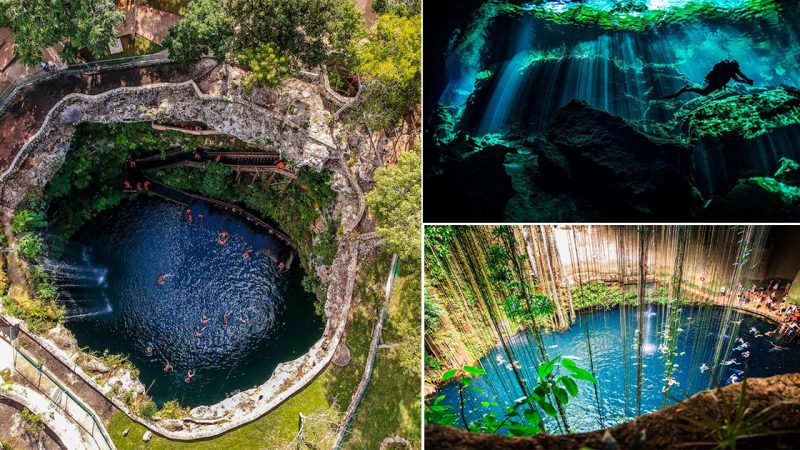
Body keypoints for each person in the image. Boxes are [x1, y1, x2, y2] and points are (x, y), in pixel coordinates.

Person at [662, 59, 753, 99]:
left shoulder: (731, 70)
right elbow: (740, 76)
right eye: (737, 69)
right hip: (715, 81)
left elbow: (739, 78)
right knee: (704, 93)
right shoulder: (730, 70)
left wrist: (747, 81)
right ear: (734, 67)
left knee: (704, 92)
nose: (738, 71)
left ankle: (685, 89)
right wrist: (747, 81)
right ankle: (685, 89)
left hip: (716, 82)